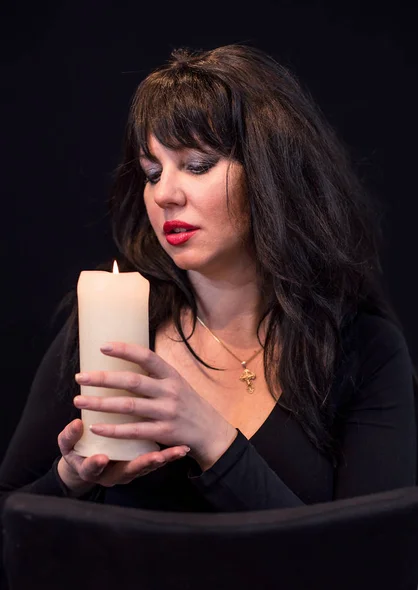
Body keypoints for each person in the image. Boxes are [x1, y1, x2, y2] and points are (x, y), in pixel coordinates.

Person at [0, 43, 417, 516]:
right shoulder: (108, 334)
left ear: (270, 172)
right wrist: (69, 480)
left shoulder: (363, 350)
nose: (165, 195)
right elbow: (11, 518)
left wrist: (213, 439)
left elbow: (372, 566)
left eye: (197, 165)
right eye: (152, 173)